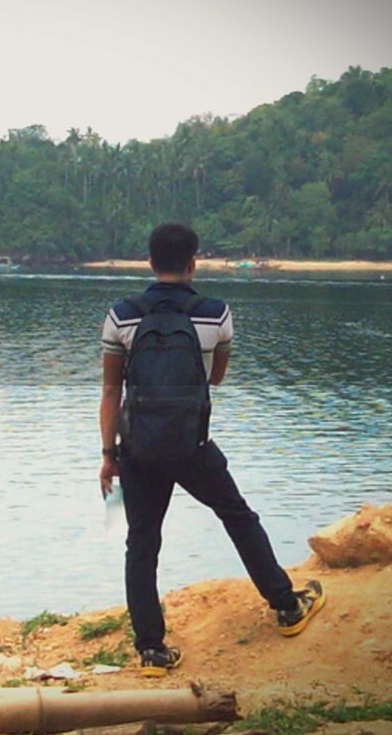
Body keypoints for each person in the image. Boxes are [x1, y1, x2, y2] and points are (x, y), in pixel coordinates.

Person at [98, 222, 324, 677]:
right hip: (191, 446)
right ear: (193, 263)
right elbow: (214, 378)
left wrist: (109, 455)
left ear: (149, 261)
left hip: (138, 448)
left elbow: (110, 389)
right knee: (238, 517)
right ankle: (286, 606)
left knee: (142, 543)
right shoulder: (215, 314)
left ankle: (152, 651)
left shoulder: (121, 315)